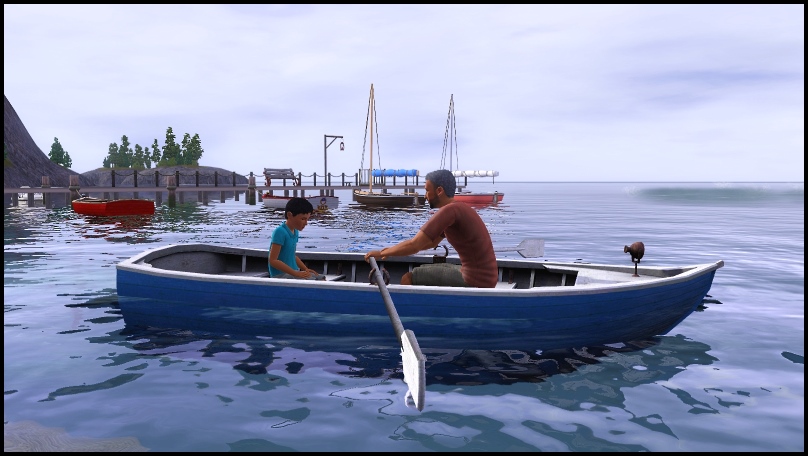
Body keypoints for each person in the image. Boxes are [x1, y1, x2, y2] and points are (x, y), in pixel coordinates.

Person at [364, 169, 498, 288]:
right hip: (487, 278)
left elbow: (414, 245)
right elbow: (430, 242)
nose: (425, 196)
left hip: (475, 280)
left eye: (427, 190)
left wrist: (381, 253)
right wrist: (390, 251)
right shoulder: (460, 208)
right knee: (424, 269)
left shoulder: (449, 211)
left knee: (409, 277)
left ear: (439, 191)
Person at [269, 197, 325, 280]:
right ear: (289, 215)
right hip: (280, 275)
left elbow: (292, 255)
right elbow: (273, 260)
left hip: (294, 272)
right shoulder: (280, 232)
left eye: (307, 219)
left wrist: (305, 269)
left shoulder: (295, 231)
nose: (306, 223)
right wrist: (296, 273)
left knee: (321, 278)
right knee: (312, 281)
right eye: (303, 219)